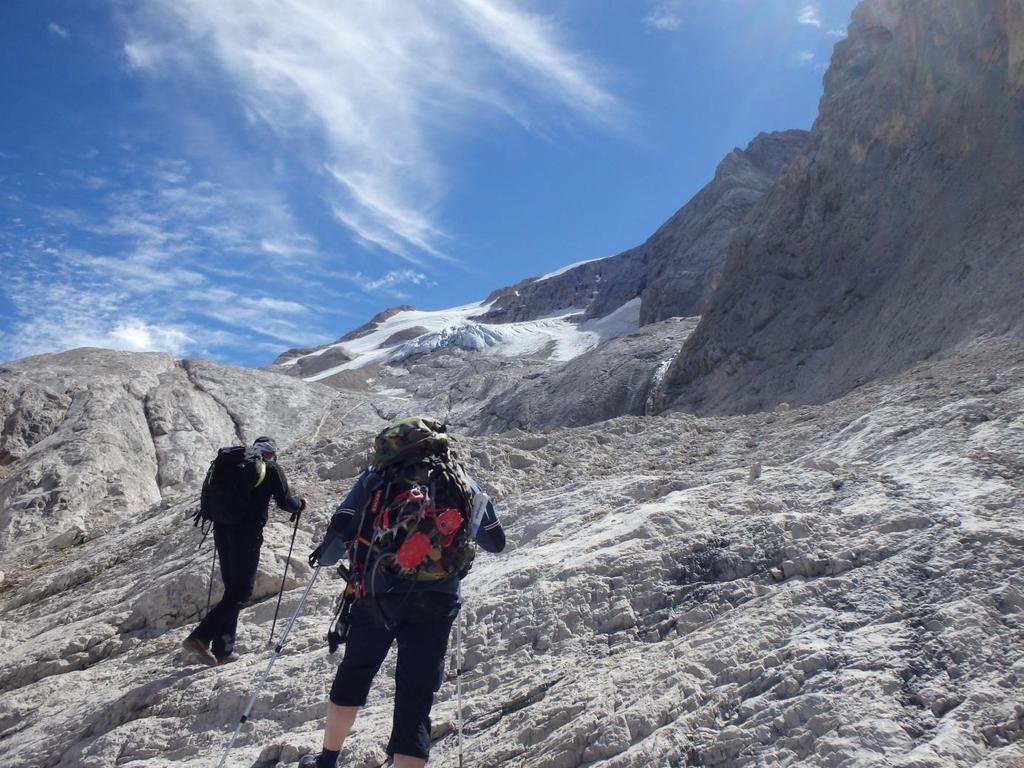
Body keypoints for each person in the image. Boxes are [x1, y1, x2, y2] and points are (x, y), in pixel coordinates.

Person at [300, 418, 506, 768]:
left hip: (376, 595)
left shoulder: (375, 478)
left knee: (355, 671)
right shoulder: (457, 478)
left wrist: (325, 557)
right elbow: (495, 541)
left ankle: (328, 760)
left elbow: (341, 532)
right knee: (415, 696)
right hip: (438, 599)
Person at [183, 436, 306, 665]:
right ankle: (200, 636)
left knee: (232, 590)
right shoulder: (270, 467)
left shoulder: (231, 465)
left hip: (221, 529)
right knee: (241, 592)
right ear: (271, 453)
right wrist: (300, 503)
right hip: (246, 535)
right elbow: (286, 502)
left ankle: (223, 650)